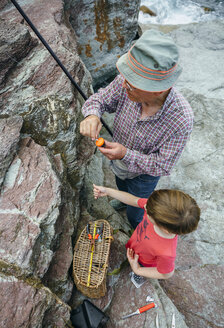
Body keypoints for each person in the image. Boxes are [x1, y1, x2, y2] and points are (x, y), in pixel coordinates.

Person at [80, 29, 194, 229]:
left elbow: (162, 165)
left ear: (157, 89)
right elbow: (100, 100)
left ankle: (136, 224)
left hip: (143, 178)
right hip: (119, 166)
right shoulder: (126, 83)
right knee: (121, 185)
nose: (123, 85)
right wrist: (92, 115)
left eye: (132, 84)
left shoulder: (181, 119)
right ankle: (124, 200)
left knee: (137, 209)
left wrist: (125, 154)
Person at [93, 184, 200, 287]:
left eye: (148, 212)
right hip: (136, 244)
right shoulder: (155, 208)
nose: (145, 207)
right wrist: (107, 191)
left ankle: (140, 275)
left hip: (145, 262)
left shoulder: (167, 253)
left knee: (141, 270)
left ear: (164, 229)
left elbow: (167, 273)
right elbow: (134, 200)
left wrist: (138, 269)